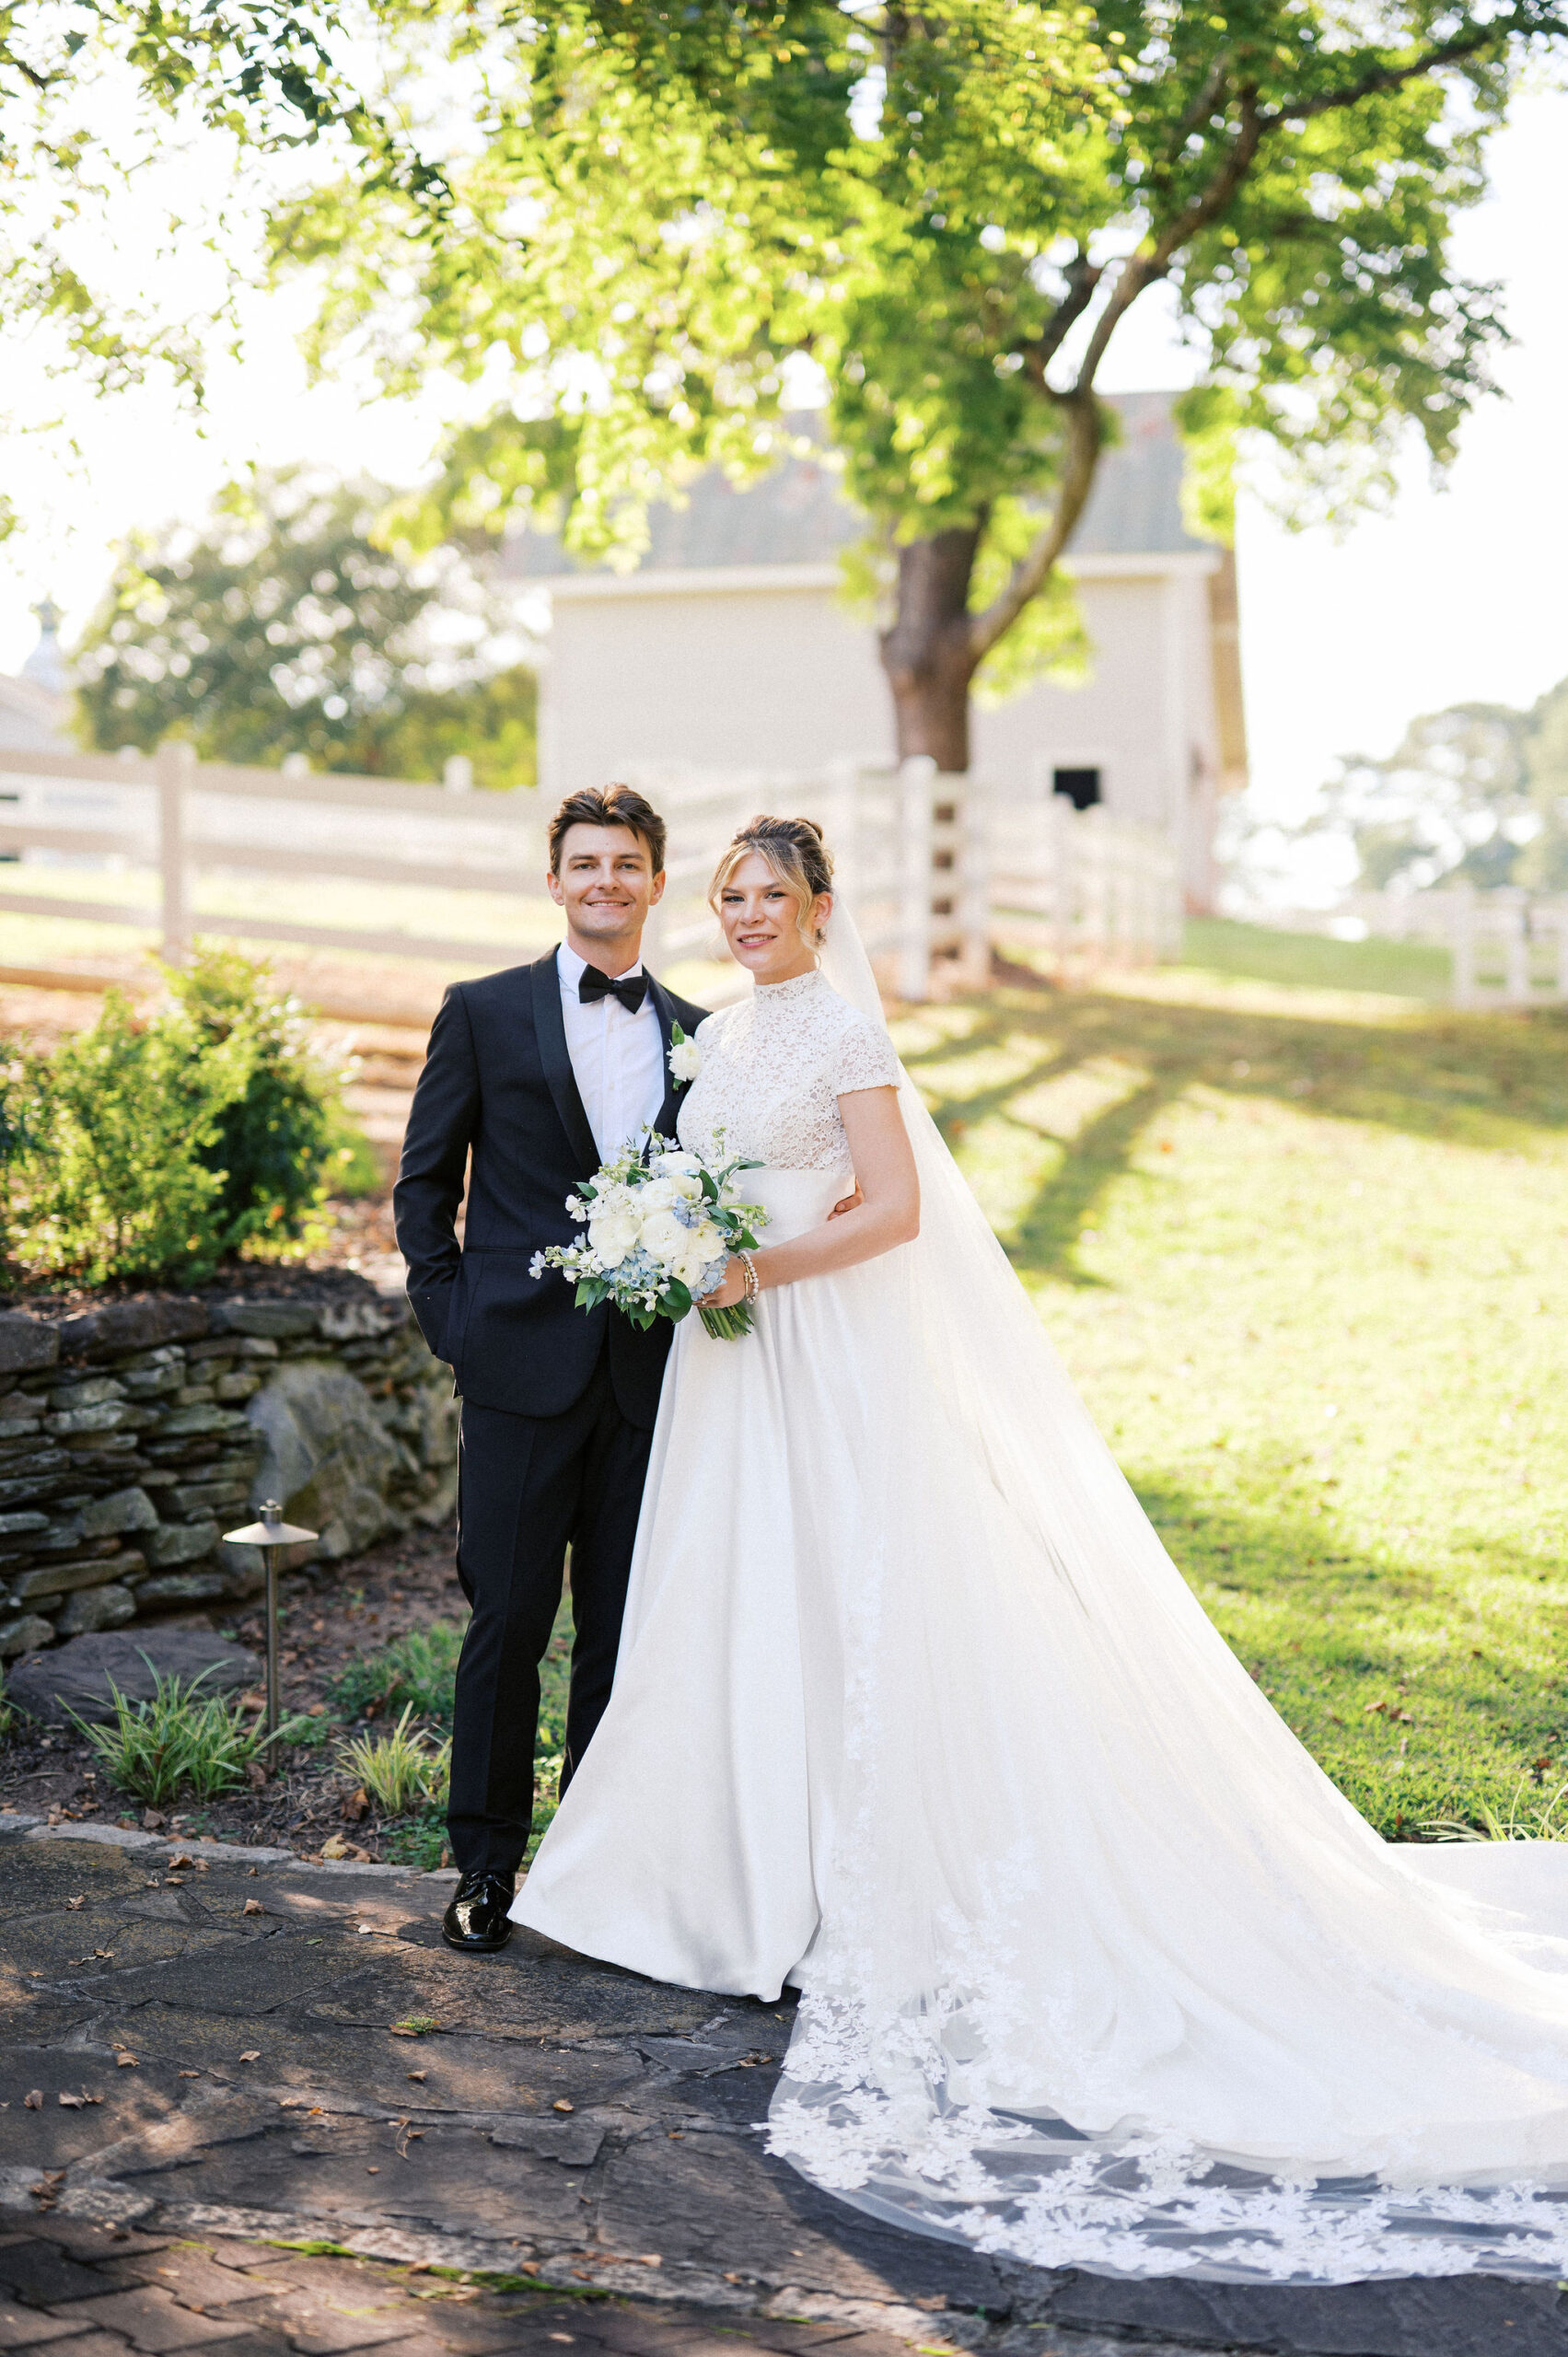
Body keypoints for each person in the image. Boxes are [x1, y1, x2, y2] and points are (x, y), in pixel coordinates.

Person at [514, 811, 1568, 2286]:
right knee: (745, 1604)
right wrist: (680, 1244)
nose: (747, 913)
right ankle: (732, 1886)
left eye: (771, 894)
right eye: (731, 894)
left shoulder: (843, 1035)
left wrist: (750, 1262)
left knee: (854, 1602)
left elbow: (892, 1212)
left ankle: (864, 1893)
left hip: (821, 1344)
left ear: (819, 906)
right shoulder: (721, 1037)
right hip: (733, 1367)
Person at [393, 784, 708, 1954]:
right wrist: (455, 1321)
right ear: (554, 880)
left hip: (646, 1378)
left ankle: (587, 1870)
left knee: (617, 1636)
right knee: (508, 1621)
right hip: (514, 1368)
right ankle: (484, 1867)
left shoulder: (701, 1035)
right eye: (585, 863)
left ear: (655, 883)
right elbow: (423, 1185)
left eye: (625, 864)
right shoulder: (480, 1011)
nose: (604, 882)